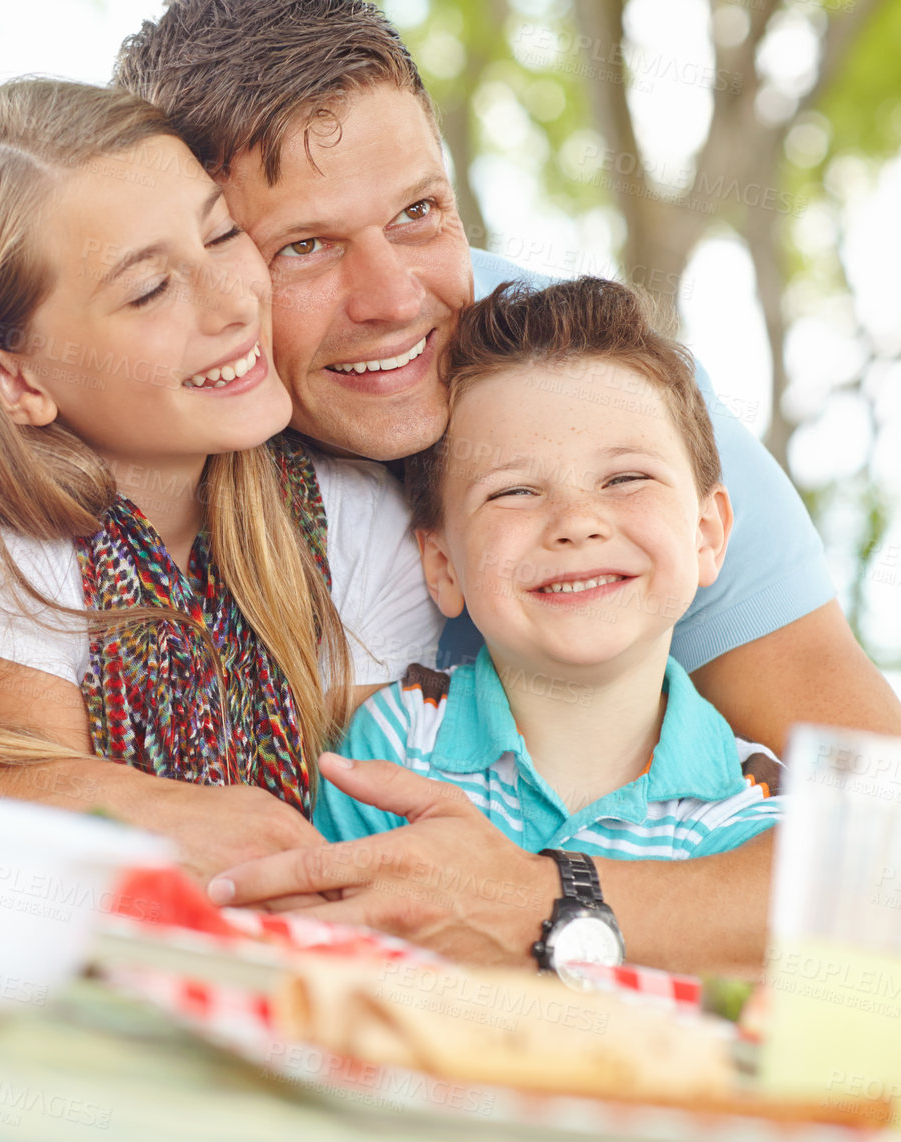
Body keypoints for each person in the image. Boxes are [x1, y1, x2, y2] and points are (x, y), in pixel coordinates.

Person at [0, 0, 901, 974]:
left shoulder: (612, 420)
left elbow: (884, 846)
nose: (393, 298)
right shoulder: (122, 415)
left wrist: (550, 899)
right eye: (301, 247)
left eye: (419, 211)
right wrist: (123, 802)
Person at [0, 79, 443, 828]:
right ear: (14, 379)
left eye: (219, 235)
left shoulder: (357, 524)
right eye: (149, 289)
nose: (235, 301)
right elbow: (38, 863)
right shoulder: (0, 563)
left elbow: (367, 826)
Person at [316, 276, 782, 879]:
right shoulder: (393, 749)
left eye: (625, 479)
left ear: (707, 534)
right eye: (514, 491)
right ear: (443, 567)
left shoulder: (758, 815)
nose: (577, 522)